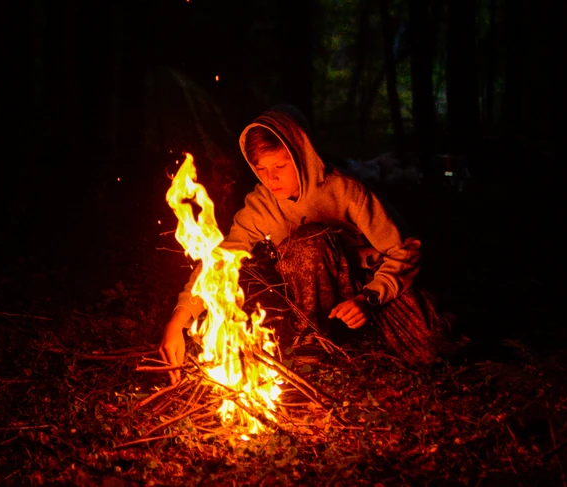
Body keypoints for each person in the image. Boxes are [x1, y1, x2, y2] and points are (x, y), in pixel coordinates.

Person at [160, 105, 442, 382]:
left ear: (302, 155)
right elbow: (219, 263)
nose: (271, 178)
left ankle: (371, 334)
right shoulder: (261, 206)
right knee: (307, 240)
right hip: (319, 297)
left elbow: (406, 249)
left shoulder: (346, 191)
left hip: (370, 286)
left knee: (431, 350)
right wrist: (179, 318)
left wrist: (368, 298)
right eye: (262, 169)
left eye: (280, 166)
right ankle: (312, 339)